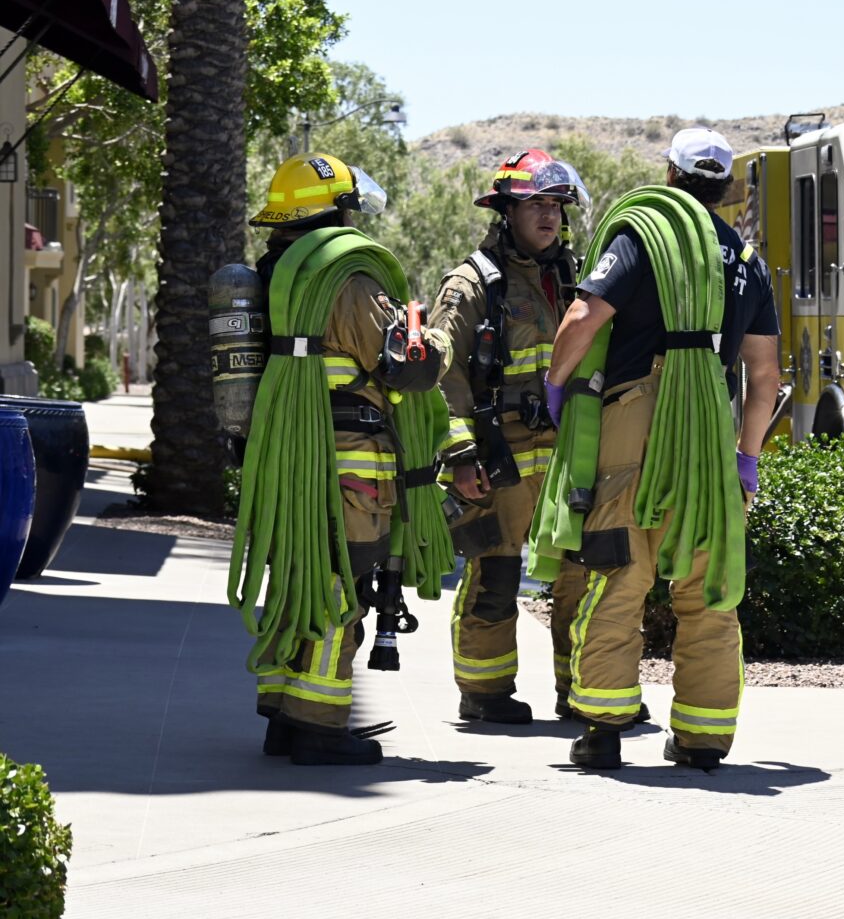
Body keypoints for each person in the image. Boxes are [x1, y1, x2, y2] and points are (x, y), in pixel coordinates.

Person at [543, 127, 780, 770]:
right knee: (707, 585)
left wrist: (556, 387)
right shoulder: (747, 261)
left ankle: (603, 730)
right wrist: (746, 458)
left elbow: (583, 318)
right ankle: (704, 739)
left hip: (636, 417)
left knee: (619, 570)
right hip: (708, 426)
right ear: (724, 190)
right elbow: (764, 377)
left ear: (670, 176)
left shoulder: (642, 236)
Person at [232, 152, 451, 766]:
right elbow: (407, 367)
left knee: (297, 578)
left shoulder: (273, 274)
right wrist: (435, 336)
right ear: (336, 211)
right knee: (338, 584)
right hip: (348, 463)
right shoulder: (345, 281)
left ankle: (284, 715)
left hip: (285, 461)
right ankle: (320, 727)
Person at [429, 149, 622, 725]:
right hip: (500, 458)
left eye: (556, 206)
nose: (548, 216)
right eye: (535, 204)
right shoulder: (471, 284)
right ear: (506, 211)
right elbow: (443, 376)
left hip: (566, 456)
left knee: (579, 573)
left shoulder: (578, 279)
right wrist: (460, 454)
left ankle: (578, 690)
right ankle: (484, 693)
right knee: (495, 575)